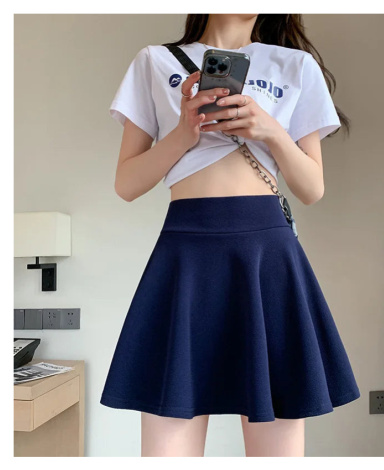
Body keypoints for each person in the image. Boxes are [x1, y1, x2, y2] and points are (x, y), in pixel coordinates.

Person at [100, 13, 360, 457]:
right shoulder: (155, 62)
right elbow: (126, 184)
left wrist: (269, 130)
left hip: (267, 256)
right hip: (186, 254)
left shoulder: (294, 65)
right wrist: (184, 133)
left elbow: (311, 188)